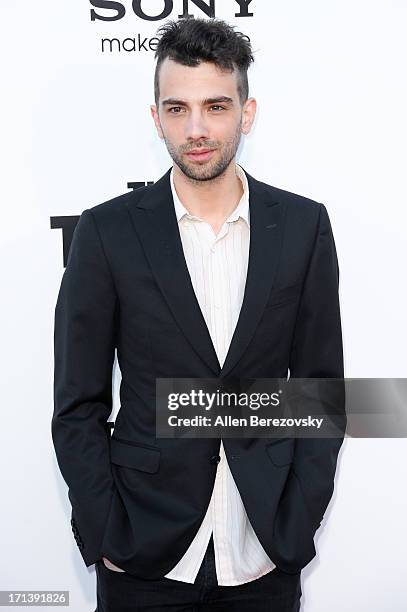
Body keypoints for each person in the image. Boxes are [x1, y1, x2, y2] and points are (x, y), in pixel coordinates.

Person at [52, 16, 345, 612]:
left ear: (247, 111)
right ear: (156, 118)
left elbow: (321, 391)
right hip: (142, 552)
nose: (197, 129)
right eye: (177, 109)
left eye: (215, 106)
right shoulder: (107, 232)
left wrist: (297, 518)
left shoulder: (302, 227)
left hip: (263, 548)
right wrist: (108, 528)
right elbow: (78, 403)